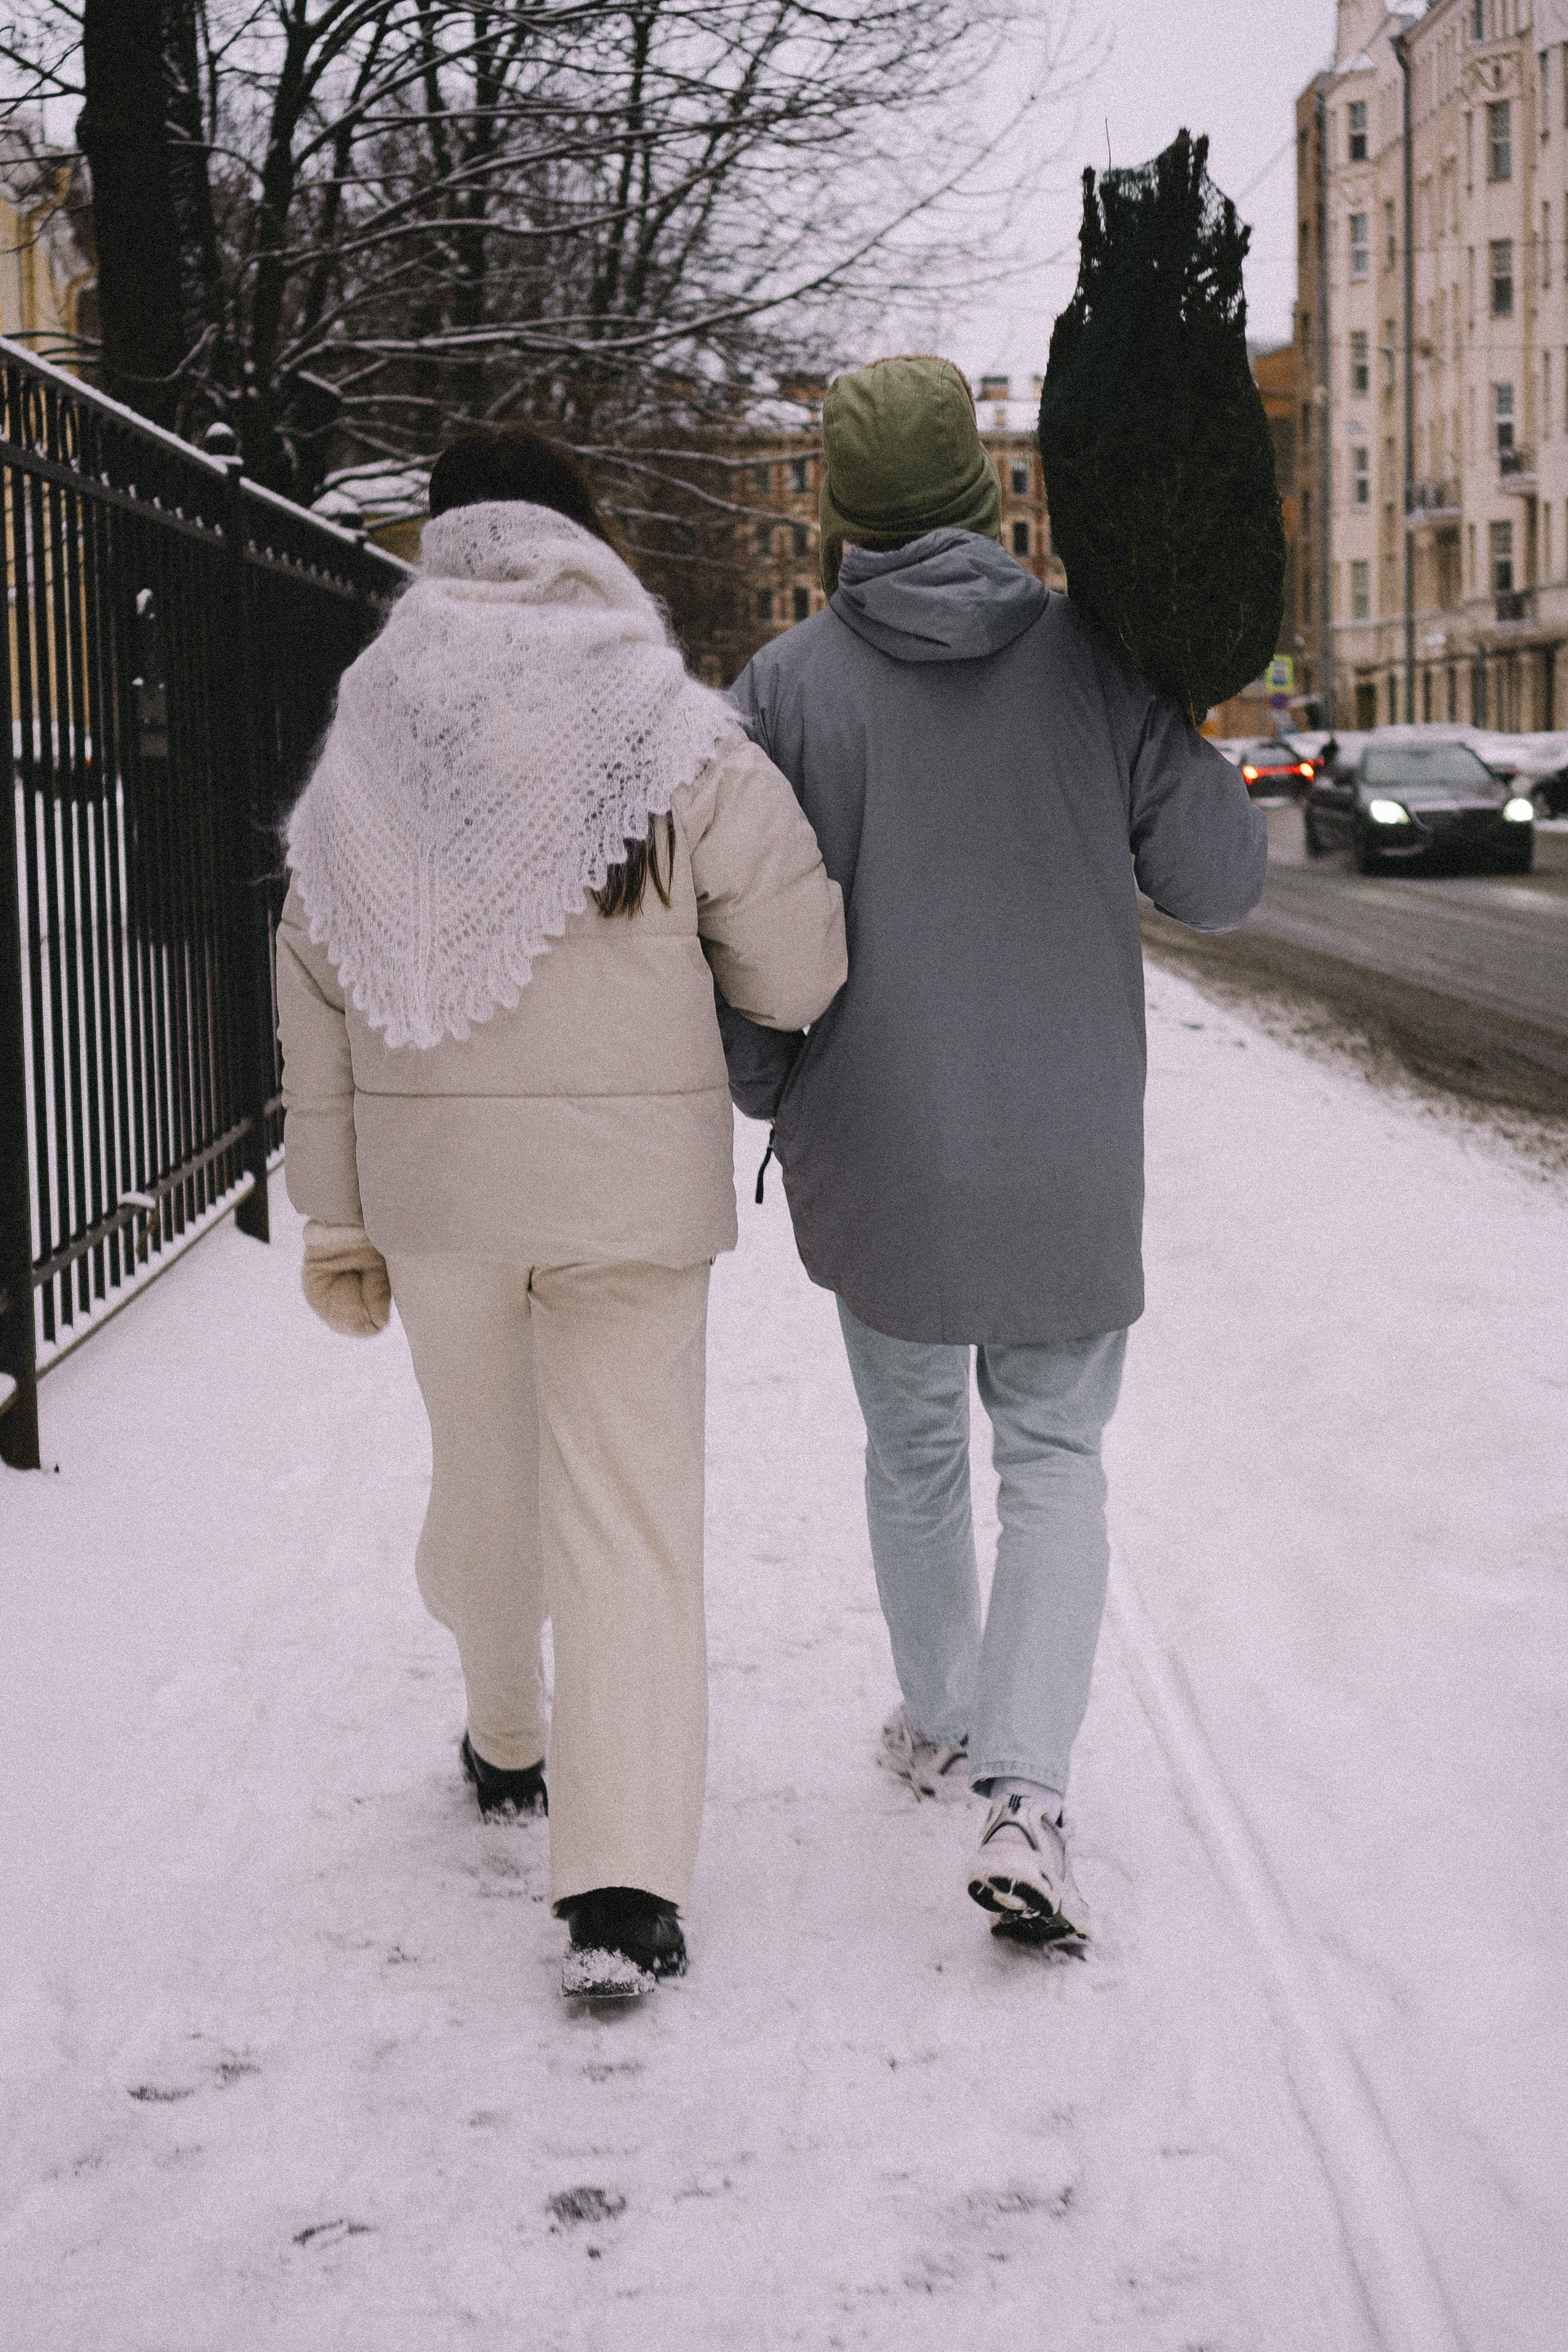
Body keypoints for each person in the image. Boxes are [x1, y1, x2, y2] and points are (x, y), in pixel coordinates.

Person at [276, 427, 846, 1998]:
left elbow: (313, 984)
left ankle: (506, 1740)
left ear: (438, 545)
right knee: (631, 1520)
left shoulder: (369, 736)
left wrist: (336, 1216)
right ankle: (621, 1891)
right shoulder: (674, 733)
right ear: (586, 539)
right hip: (630, 1206)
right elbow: (798, 970)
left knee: (484, 1476)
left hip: (439, 1198)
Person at [718, 356, 1266, 1948]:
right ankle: (1028, 1793)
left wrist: (772, 1089)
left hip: (881, 1146)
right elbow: (1223, 883)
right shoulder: (1102, 662)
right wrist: (1176, 707)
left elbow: (746, 934)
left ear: (839, 506)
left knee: (914, 1452)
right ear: (980, 488)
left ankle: (942, 1715)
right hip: (1067, 1146)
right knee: (1055, 1460)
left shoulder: (784, 689)